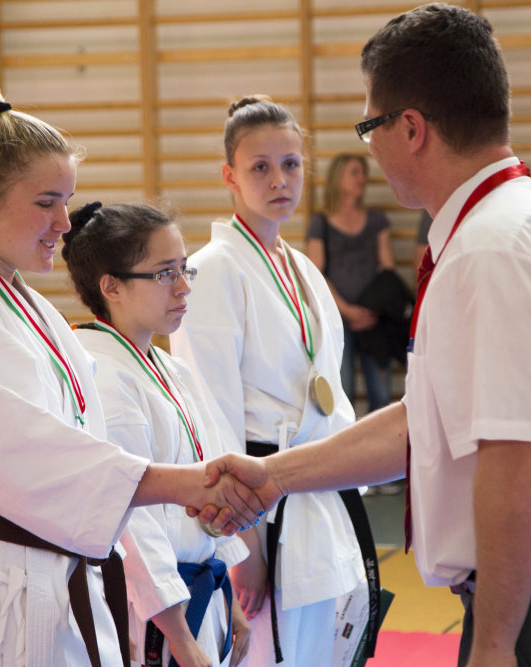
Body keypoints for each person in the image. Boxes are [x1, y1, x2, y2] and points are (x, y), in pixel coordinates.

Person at [202, 5, 531, 666]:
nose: (369, 148)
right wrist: (274, 475)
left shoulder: (490, 247)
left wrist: (493, 642)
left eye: (369, 126)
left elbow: (518, 456)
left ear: (410, 128)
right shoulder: (503, 222)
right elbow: (427, 419)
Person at [0, 83, 262, 666]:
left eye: (66, 200)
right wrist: (183, 484)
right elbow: (32, 457)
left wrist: (193, 497)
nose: (62, 221)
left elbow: (85, 445)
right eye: (46, 202)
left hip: (50, 570)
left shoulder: (26, 306)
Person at [170, 96, 378, 667]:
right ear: (229, 176)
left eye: (290, 164)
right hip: (260, 508)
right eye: (259, 167)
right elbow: (211, 414)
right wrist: (243, 548)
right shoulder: (212, 269)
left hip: (319, 491)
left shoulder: (302, 267)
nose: (279, 179)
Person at [64, 201, 252, 667]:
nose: (184, 286)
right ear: (112, 286)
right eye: (165, 273)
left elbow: (211, 479)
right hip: (150, 612)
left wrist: (227, 587)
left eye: (185, 269)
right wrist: (178, 635)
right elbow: (131, 517)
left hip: (200, 589)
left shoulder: (170, 368)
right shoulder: (103, 375)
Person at [305, 153, 397, 414]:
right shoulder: (321, 222)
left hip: (372, 319)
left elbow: (387, 269)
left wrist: (369, 310)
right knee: (341, 392)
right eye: (354, 172)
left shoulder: (376, 220)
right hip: (336, 317)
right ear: (338, 178)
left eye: (363, 173)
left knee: (381, 395)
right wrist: (346, 310)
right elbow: (316, 273)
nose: (362, 178)